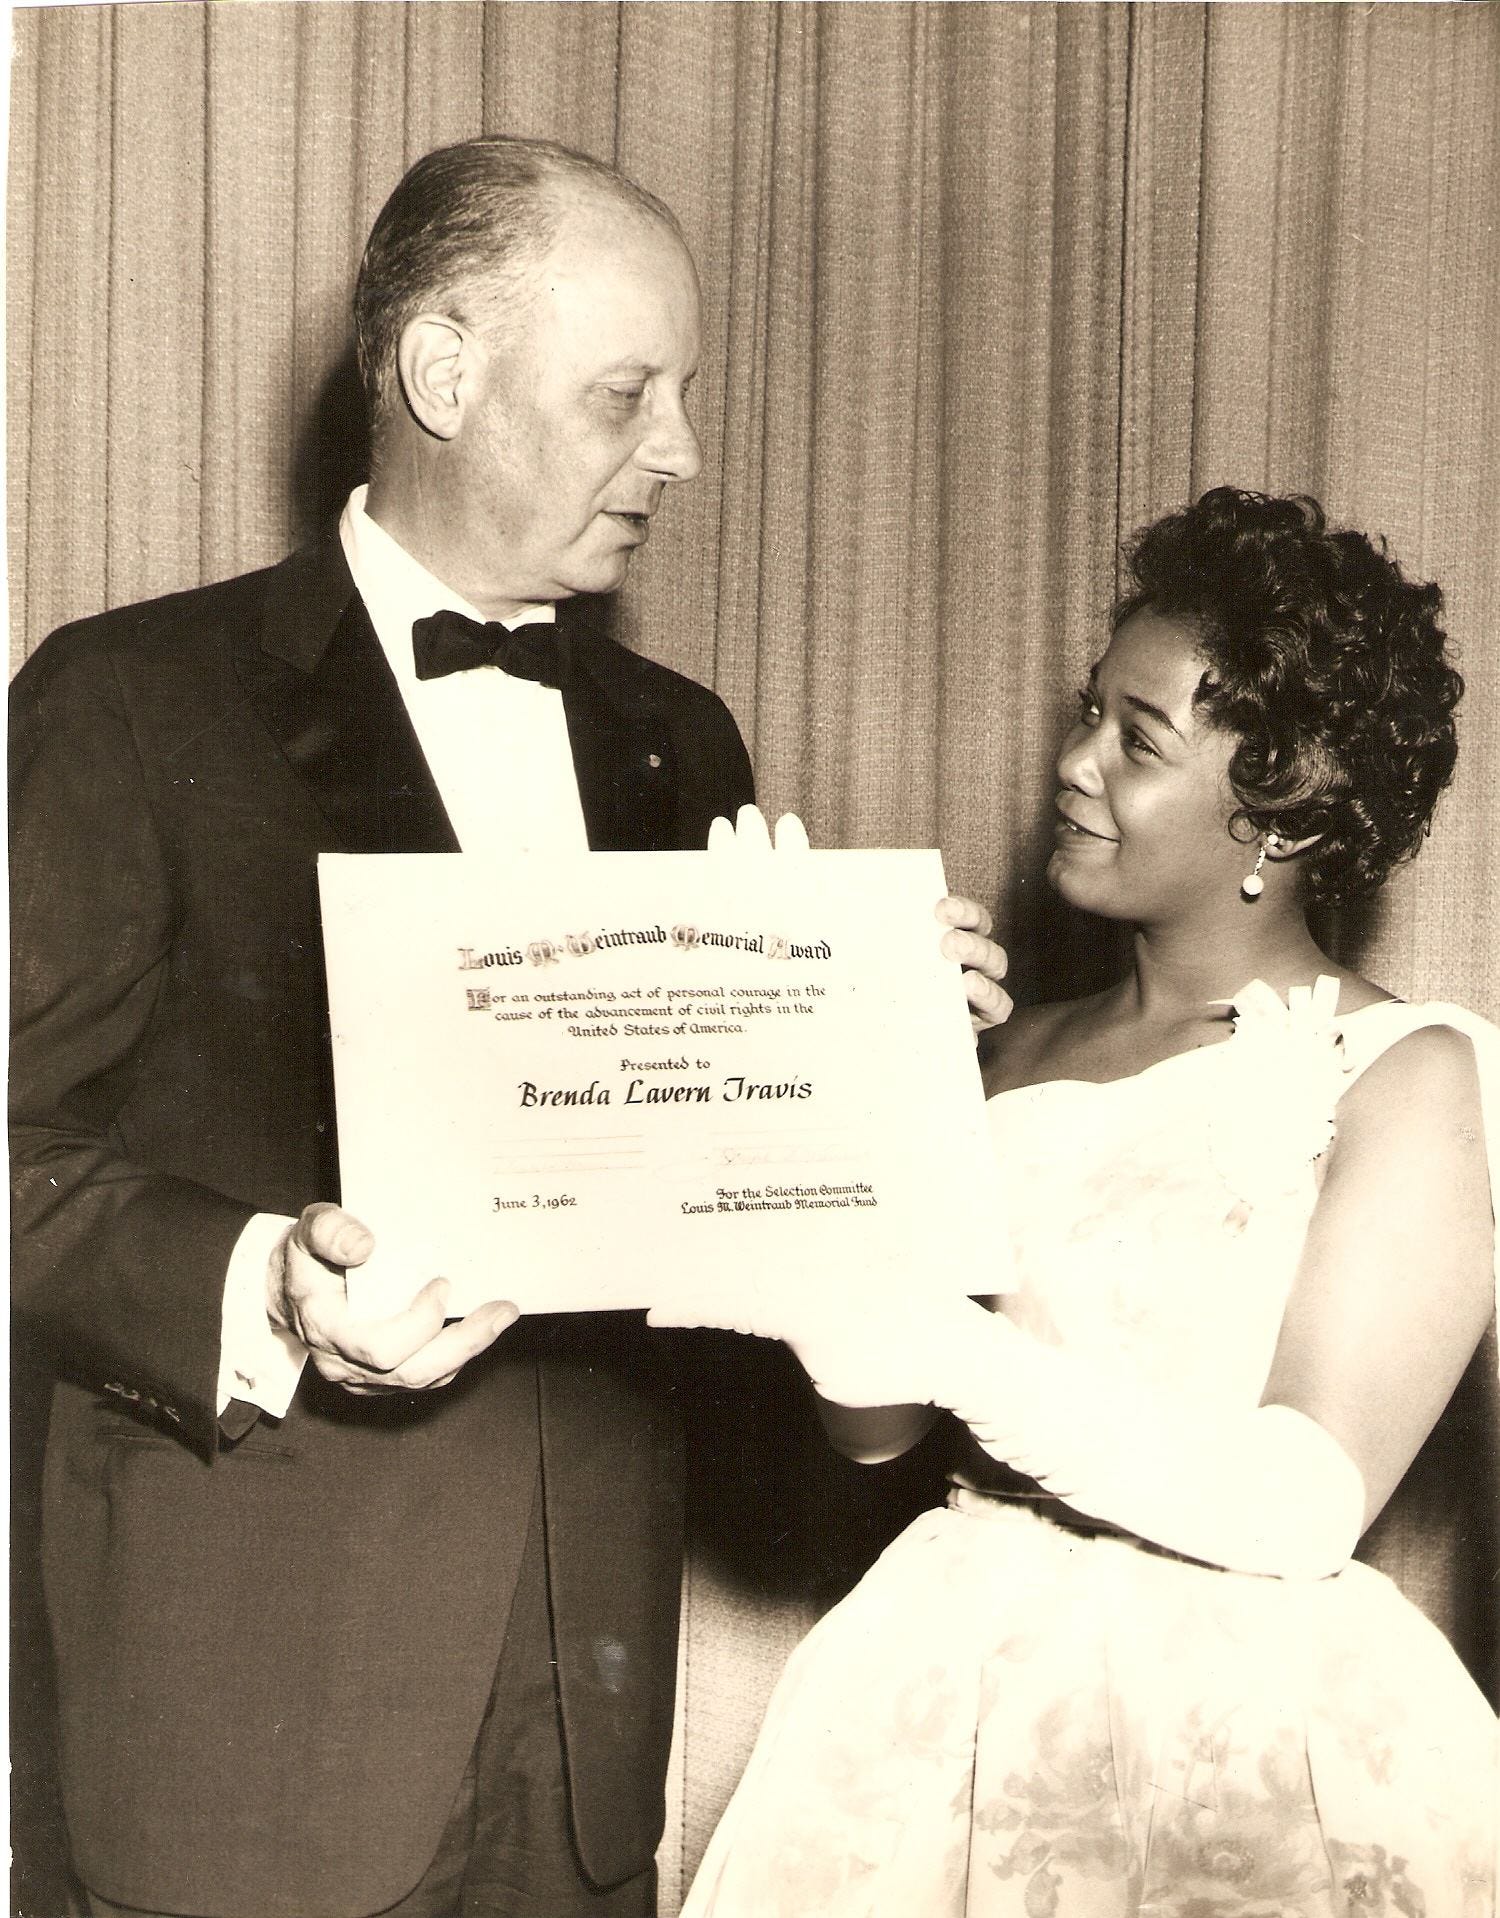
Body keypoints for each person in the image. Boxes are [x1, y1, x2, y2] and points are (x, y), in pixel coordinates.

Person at [8, 133, 1010, 1918]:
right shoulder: (120, 702)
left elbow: (713, 1231)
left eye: (685, 393)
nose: (684, 450)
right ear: (440, 371)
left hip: (580, 1755)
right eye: (630, 392)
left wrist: (865, 1051)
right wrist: (265, 1287)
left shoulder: (680, 739)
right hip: (253, 1743)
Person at [650, 487, 1499, 1917]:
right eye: (1086, 712)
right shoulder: (1000, 1050)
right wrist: (816, 1072)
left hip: (1242, 1736)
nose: (1070, 762)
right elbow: (874, 1430)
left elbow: (1302, 1503)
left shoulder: (1408, 1072)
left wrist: (952, 1349)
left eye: (1135, 738)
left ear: (1280, 802)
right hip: (944, 1694)